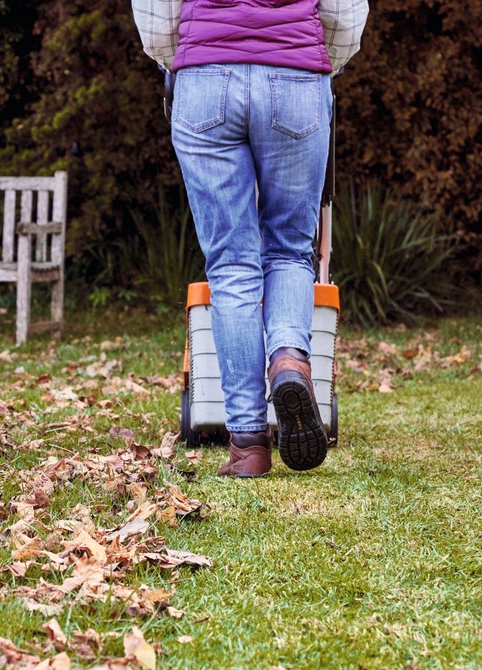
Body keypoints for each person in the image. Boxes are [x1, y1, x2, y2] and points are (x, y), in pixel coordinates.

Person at [132, 0, 369, 478]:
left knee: (231, 265)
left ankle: (247, 448)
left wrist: (185, 54)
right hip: (296, 76)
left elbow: (156, 14)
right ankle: (288, 361)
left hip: (204, 78)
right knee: (289, 249)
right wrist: (318, 58)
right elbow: (345, 12)